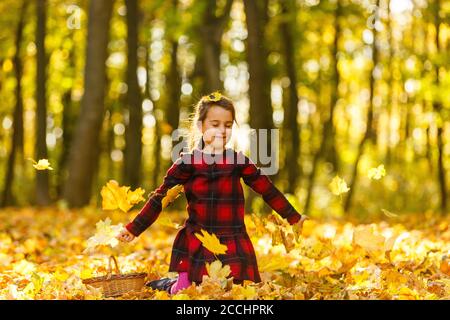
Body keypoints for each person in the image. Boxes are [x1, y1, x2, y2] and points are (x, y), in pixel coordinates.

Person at [117, 91, 308, 294]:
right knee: (185, 291)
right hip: (198, 239)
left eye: (228, 125)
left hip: (232, 240)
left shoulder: (238, 161)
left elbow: (267, 189)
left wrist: (293, 216)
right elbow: (159, 199)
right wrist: (133, 228)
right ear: (200, 126)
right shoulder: (187, 163)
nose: (222, 130)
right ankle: (167, 285)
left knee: (230, 292)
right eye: (215, 124)